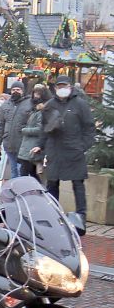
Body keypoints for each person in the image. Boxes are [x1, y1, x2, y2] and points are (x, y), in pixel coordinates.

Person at [34, 76, 95, 218]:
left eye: (65, 86)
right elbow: (44, 128)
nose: (62, 89)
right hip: (54, 150)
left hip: (74, 150)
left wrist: (83, 146)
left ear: (70, 87)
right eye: (59, 86)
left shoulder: (80, 104)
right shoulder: (49, 105)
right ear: (55, 88)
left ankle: (81, 215)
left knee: (78, 183)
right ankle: (54, 214)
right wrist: (39, 145)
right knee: (52, 183)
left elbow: (89, 127)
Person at [0, 81, 34, 179]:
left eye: (18, 89)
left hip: (23, 143)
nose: (15, 91)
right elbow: (1, 125)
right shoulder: (6, 105)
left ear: (22, 91)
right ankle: (15, 191)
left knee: (21, 169)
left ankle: (22, 190)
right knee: (13, 169)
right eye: (13, 90)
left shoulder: (30, 104)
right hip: (8, 142)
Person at [17, 85, 49, 182]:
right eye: (35, 93)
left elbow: (41, 129)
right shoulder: (34, 109)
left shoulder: (42, 111)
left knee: (25, 172)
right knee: (29, 172)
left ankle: (34, 191)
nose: (36, 96)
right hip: (28, 145)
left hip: (33, 145)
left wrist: (24, 130)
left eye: (38, 94)